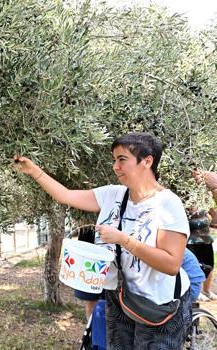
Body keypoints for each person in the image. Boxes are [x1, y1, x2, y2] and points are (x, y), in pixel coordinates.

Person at [14, 132, 191, 349]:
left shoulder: (168, 205)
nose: (115, 166)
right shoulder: (112, 195)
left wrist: (124, 240)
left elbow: (171, 264)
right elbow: (65, 195)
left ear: (147, 161)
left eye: (122, 159)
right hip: (120, 297)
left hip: (159, 305)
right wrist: (34, 172)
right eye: (114, 160)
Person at [193, 169, 217, 300]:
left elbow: (213, 215)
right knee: (195, 264)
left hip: (204, 234)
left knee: (209, 264)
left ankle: (206, 290)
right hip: (192, 236)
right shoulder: (188, 196)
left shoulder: (203, 195)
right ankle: (197, 292)